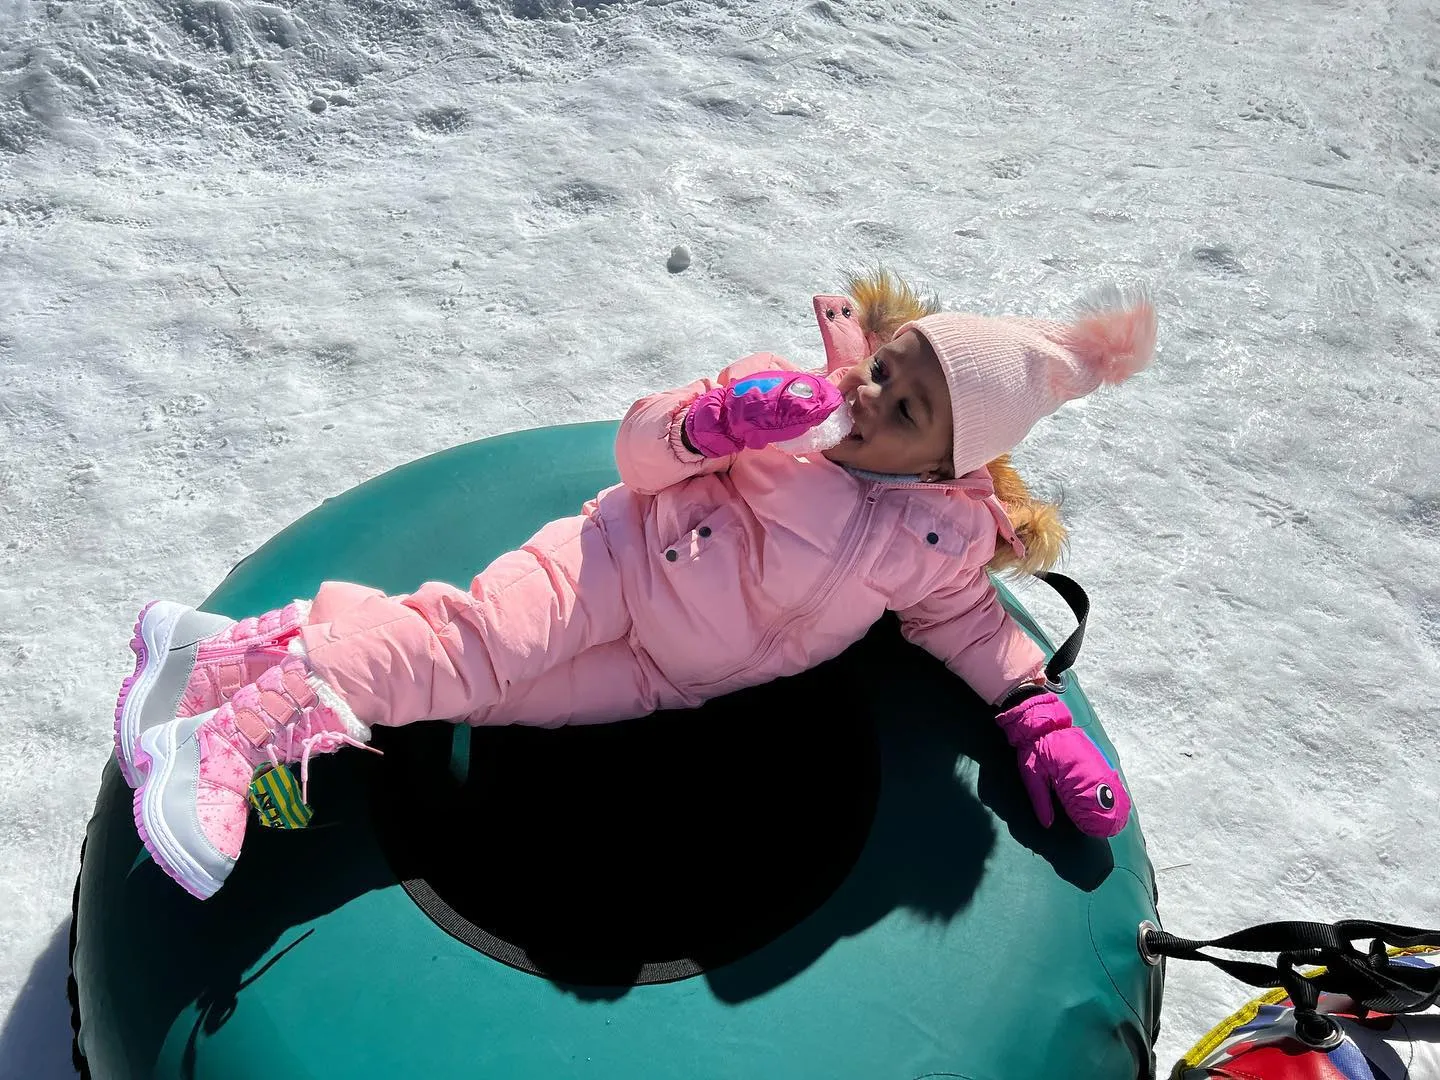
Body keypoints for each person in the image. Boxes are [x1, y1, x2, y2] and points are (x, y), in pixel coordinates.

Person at [113, 269, 1155, 900]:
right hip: (611, 566)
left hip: (668, 677)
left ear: (950, 463)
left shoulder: (943, 534)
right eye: (888, 368)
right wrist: (717, 420)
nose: (874, 396)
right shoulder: (788, 415)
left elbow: (963, 622)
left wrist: (1033, 713)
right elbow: (640, 453)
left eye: (911, 407)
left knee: (482, 698)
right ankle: (228, 743)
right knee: (472, 647)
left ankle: (225, 656)